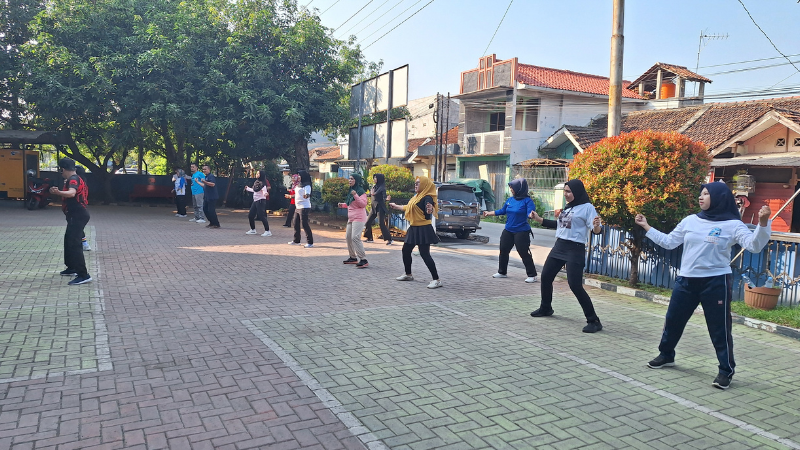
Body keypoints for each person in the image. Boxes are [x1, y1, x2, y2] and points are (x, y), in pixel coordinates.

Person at [635, 182, 772, 390]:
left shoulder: (733, 225)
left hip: (715, 281)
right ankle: (666, 354)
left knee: (719, 328)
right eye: (701, 193)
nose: (701, 197)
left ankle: (726, 370)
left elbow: (754, 245)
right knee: (673, 319)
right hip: (686, 280)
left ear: (719, 198)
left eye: (706, 194)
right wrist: (647, 226)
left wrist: (763, 224)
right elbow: (670, 242)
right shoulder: (690, 220)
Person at [528, 179, 603, 333]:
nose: (566, 195)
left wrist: (596, 226)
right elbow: (559, 225)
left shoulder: (587, 208)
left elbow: (596, 230)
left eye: (569, 192)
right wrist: (538, 219)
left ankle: (594, 321)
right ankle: (546, 308)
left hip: (574, 249)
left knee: (575, 285)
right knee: (546, 277)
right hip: (559, 246)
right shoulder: (569, 208)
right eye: (565, 191)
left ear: (577, 192)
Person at [389, 176, 442, 289]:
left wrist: (430, 209)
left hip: (423, 229)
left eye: (418, 183)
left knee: (424, 254)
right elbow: (408, 207)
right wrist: (396, 206)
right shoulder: (416, 197)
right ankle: (408, 274)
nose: (416, 184)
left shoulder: (427, 197)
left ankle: (436, 280)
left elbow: (429, 209)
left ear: (424, 185)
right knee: (406, 250)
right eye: (415, 183)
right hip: (413, 228)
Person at [483, 178, 538, 283]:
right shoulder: (510, 200)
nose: (511, 189)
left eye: (512, 187)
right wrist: (489, 213)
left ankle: (532, 275)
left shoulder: (527, 201)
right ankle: (502, 272)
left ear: (519, 188)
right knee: (503, 250)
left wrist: (531, 215)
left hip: (521, 231)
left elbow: (530, 213)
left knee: (523, 252)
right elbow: (502, 211)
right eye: (510, 188)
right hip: (508, 230)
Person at [49, 158, 92, 285]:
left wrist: (58, 192)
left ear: (62, 169)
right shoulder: (73, 178)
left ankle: (83, 274)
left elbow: (72, 193)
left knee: (74, 243)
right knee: (68, 240)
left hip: (78, 214)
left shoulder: (74, 179)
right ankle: (72, 267)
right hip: (75, 214)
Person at [339, 173, 369, 268]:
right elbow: (351, 204)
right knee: (348, 237)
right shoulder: (351, 190)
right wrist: (343, 205)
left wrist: (356, 195)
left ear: (356, 180)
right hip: (351, 218)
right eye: (349, 179)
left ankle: (363, 259)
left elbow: (363, 204)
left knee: (355, 237)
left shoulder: (361, 191)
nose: (350, 180)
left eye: (352, 179)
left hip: (359, 218)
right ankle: (353, 257)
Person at [363, 173, 393, 245]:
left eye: (376, 178)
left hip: (380, 208)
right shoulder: (374, 187)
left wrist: (387, 199)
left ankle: (389, 239)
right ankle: (369, 238)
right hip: (373, 207)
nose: (374, 179)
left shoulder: (382, 188)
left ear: (379, 179)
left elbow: (384, 197)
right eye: (374, 178)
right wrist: (362, 194)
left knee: (381, 224)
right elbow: (370, 194)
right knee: (368, 222)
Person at [289, 169, 313, 247]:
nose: (298, 177)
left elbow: (308, 193)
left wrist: (306, 195)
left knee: (304, 224)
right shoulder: (299, 185)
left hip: (304, 207)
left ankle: (310, 242)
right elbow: (297, 195)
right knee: (295, 223)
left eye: (299, 175)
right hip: (298, 207)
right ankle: (296, 241)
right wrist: (290, 196)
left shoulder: (307, 185)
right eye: (298, 175)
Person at [245, 171, 272, 236]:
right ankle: (253, 230)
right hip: (255, 201)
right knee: (250, 215)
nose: (256, 175)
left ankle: (267, 231)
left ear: (261, 175)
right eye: (256, 173)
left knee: (262, 216)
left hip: (260, 201)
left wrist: (266, 194)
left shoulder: (263, 183)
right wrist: (248, 188)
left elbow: (264, 192)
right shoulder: (256, 182)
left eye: (258, 174)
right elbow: (255, 190)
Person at [75, 166, 91, 251]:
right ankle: (84, 243)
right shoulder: (83, 181)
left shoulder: (77, 182)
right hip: (83, 207)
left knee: (77, 228)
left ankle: (84, 244)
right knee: (78, 228)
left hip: (79, 208)